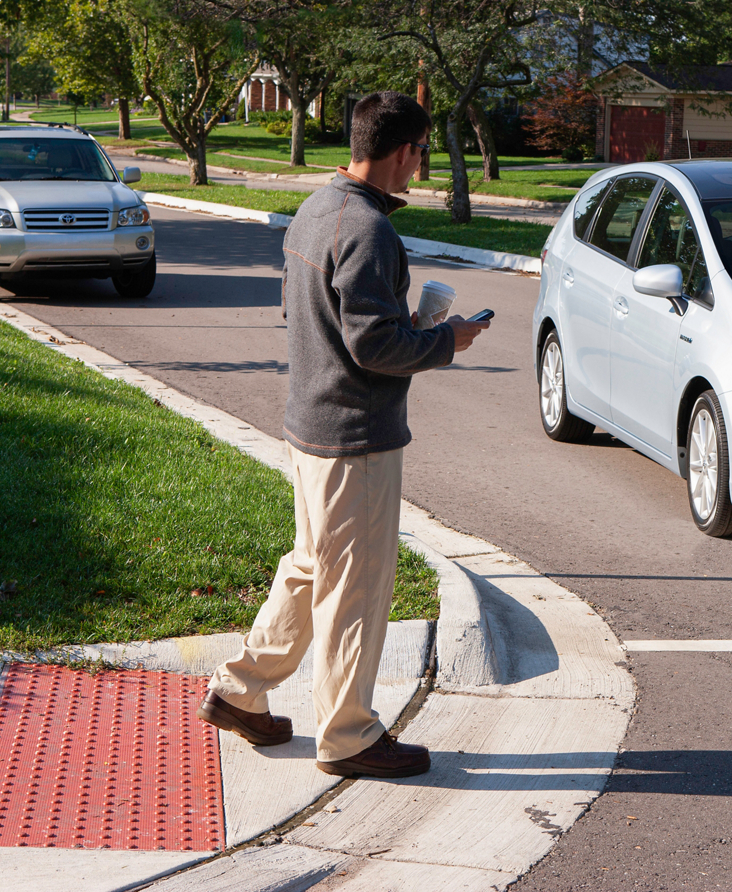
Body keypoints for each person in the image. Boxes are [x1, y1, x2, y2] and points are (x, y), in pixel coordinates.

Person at [197, 91, 489, 779]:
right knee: (353, 589)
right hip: (355, 437)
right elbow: (371, 345)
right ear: (402, 150)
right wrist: (448, 337)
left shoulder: (317, 209)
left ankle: (239, 693)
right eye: (422, 152)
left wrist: (412, 326)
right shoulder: (367, 228)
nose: (422, 165)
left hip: (311, 427)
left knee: (311, 567)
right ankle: (350, 736)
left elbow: (333, 324)